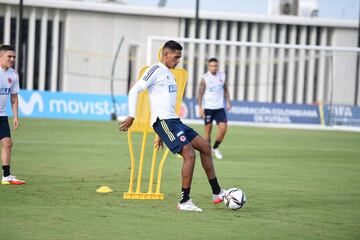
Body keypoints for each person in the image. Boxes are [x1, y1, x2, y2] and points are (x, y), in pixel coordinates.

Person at [119, 40, 225, 212]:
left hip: (173, 121)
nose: (178, 61)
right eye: (176, 57)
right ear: (166, 54)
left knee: (205, 147)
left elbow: (164, 104)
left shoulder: (169, 73)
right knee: (189, 154)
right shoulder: (155, 70)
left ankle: (217, 193)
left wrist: (161, 135)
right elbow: (134, 90)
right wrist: (132, 115)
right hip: (164, 122)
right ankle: (184, 201)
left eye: (180, 57)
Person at [0, 45, 25, 185]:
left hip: (2, 116)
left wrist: (15, 116)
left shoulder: (13, 74)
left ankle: (6, 176)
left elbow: (14, 97)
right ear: (1, 57)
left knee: (7, 143)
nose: (12, 59)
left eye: (14, 57)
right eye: (9, 56)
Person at [197, 58, 231, 160]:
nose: (214, 67)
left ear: (218, 66)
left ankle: (215, 148)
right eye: (212, 66)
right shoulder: (205, 78)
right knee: (208, 131)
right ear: (208, 67)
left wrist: (228, 101)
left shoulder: (222, 75)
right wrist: (200, 108)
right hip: (208, 108)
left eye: (215, 65)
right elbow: (200, 94)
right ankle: (208, 152)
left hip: (220, 107)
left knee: (223, 129)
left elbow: (225, 89)